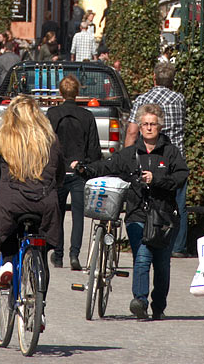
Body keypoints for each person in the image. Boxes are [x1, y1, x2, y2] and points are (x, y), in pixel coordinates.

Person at [71, 103, 188, 319]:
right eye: (145, 124)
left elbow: (181, 177)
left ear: (160, 127)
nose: (149, 128)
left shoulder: (171, 153)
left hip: (163, 216)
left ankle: (158, 306)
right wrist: (84, 169)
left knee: (162, 264)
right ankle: (140, 301)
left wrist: (158, 179)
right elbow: (108, 165)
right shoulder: (131, 153)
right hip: (137, 214)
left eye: (153, 124)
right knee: (142, 257)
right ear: (140, 127)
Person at [0, 95, 65, 287]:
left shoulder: (5, 138)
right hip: (44, 204)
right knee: (42, 250)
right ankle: (40, 304)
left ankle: (7, 263)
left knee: (8, 235)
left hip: (12, 203)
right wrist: (57, 184)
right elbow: (60, 170)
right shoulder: (50, 140)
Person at [125, 62, 189, 258]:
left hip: (148, 157)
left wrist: (128, 155)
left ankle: (148, 235)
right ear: (172, 80)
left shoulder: (143, 99)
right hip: (174, 158)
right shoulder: (180, 99)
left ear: (154, 78)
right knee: (178, 203)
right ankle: (177, 245)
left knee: (147, 200)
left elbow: (132, 131)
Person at [47, 75, 102, 270]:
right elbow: (94, 148)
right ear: (77, 93)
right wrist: (89, 166)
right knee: (78, 215)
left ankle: (59, 253)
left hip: (58, 171)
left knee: (58, 213)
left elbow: (46, 144)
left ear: (61, 93)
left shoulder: (52, 114)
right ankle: (74, 254)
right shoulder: (87, 116)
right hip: (79, 170)